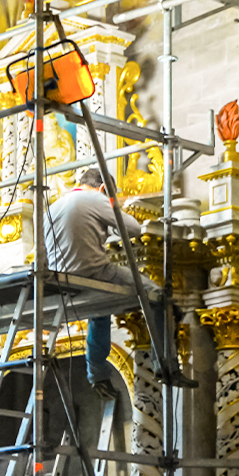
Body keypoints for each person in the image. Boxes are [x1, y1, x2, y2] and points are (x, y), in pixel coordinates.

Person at [45, 167, 184, 394]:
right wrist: (112, 209)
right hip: (95, 272)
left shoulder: (52, 208)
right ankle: (166, 365)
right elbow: (134, 228)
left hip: (62, 283)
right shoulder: (95, 198)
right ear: (102, 188)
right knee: (158, 296)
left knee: (99, 313)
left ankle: (97, 376)